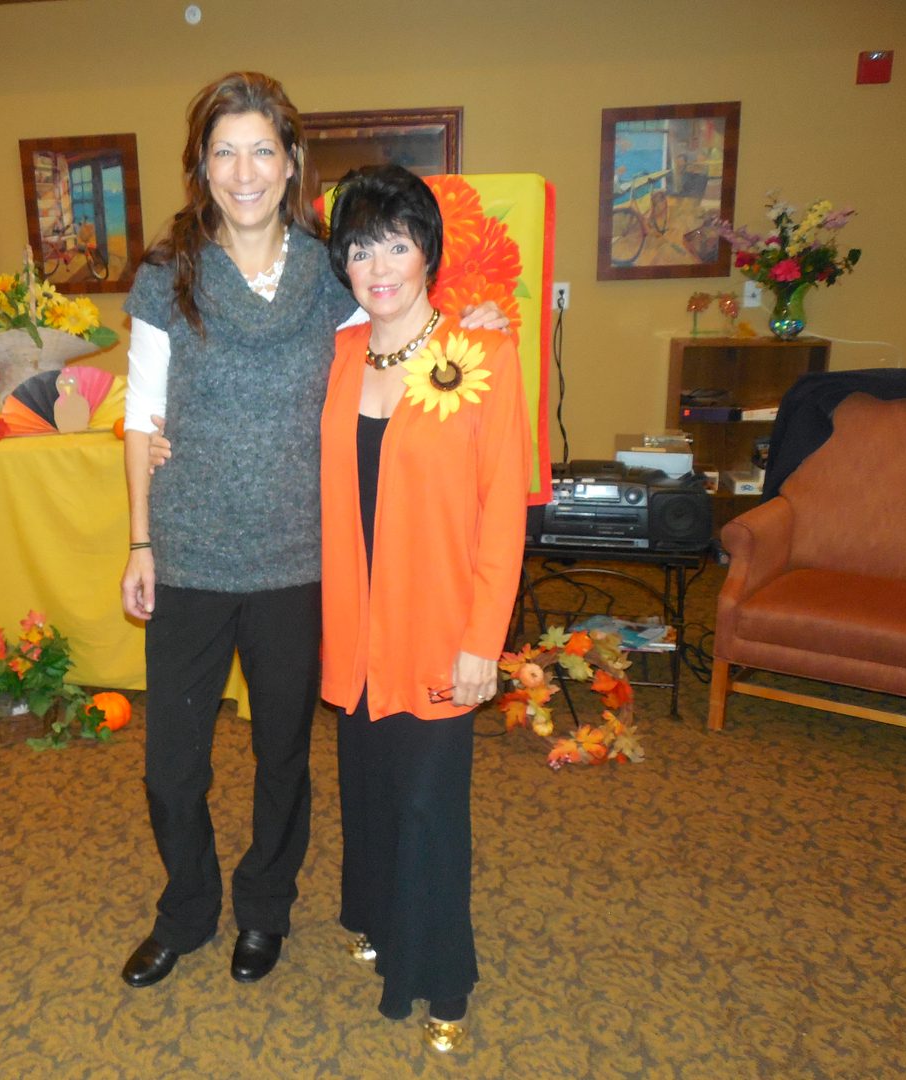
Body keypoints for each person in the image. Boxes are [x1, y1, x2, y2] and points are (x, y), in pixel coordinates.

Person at [118, 73, 504, 991]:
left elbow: (401, 325)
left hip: (300, 562)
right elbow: (140, 416)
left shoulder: (332, 271)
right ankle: (186, 910)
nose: (243, 170)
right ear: (200, 166)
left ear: (291, 163)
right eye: (224, 151)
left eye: (262, 150)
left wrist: (476, 325)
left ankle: (264, 911)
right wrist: (139, 541)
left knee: (282, 757)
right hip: (190, 557)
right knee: (173, 766)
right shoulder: (166, 276)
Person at [318, 165, 529, 1052]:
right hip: (355, 629)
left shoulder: (485, 355)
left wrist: (485, 640)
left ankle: (443, 980)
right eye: (361, 247)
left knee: (429, 810)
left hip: (441, 631)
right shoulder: (339, 356)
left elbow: (502, 514)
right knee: (367, 789)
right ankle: (374, 918)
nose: (379, 264)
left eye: (396, 242)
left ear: (428, 251)